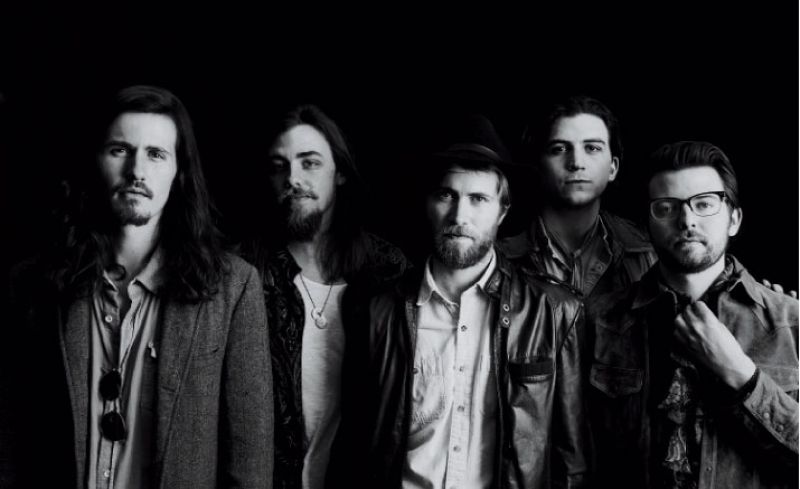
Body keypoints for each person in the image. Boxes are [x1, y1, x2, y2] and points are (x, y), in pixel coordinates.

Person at [6, 85, 273, 489]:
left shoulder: (234, 288)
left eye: (156, 154)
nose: (136, 171)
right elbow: (9, 441)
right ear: (95, 161)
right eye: (120, 150)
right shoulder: (32, 283)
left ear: (179, 172)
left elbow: (249, 467)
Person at [334, 114, 591, 488]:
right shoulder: (376, 310)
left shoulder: (555, 311)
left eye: (478, 199)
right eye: (446, 195)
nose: (459, 215)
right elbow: (354, 444)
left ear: (502, 210)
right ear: (428, 203)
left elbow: (572, 461)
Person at [589, 141, 798, 488]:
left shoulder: (792, 322)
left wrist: (740, 374)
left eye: (704, 204)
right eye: (666, 207)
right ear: (648, 223)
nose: (686, 220)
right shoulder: (601, 319)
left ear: (734, 219)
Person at [241, 104, 408, 489]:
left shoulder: (388, 274)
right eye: (279, 166)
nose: (292, 178)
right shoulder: (244, 273)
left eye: (310, 163)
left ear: (341, 173)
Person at [500, 95, 657, 300]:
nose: (576, 163)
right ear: (538, 164)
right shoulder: (500, 254)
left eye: (592, 148)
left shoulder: (648, 252)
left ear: (613, 168)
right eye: (559, 149)